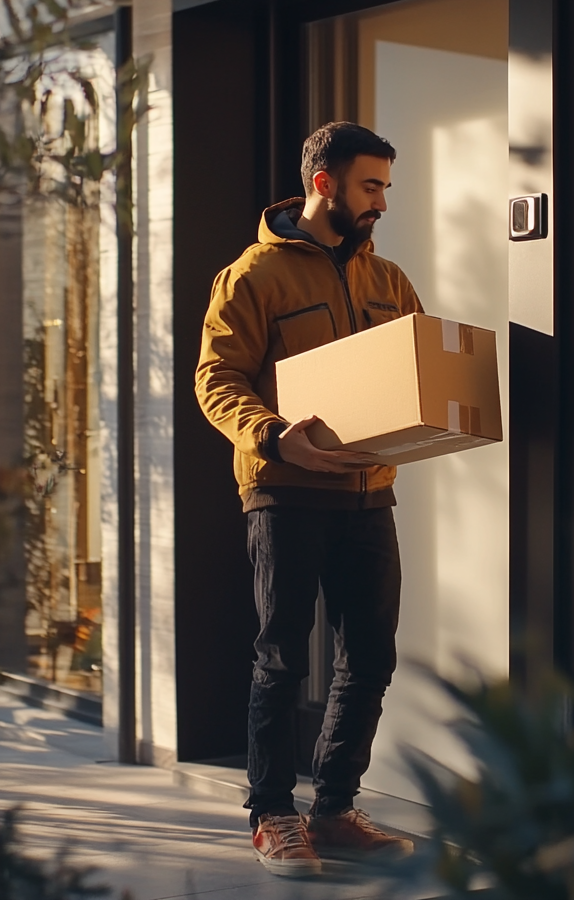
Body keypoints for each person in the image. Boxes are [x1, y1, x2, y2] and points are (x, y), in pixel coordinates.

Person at [196, 122, 422, 876]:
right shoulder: (253, 275)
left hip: (369, 495)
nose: (382, 202)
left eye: (386, 187)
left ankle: (333, 809)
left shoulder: (387, 281)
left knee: (370, 658)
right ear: (324, 183)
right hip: (285, 492)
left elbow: (416, 369)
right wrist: (271, 435)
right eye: (370, 185)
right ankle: (270, 815)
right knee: (282, 659)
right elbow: (216, 379)